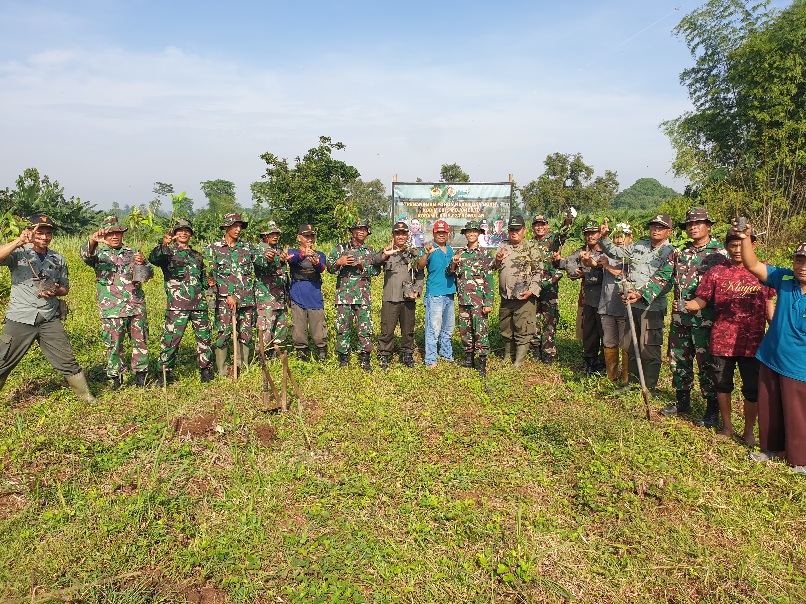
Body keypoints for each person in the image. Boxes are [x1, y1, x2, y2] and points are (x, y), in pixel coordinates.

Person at [630, 208, 728, 424]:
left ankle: (711, 410)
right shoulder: (680, 252)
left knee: (707, 364)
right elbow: (662, 276)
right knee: (678, 360)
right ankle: (682, 402)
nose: (693, 227)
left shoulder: (720, 254)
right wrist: (640, 293)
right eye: (690, 224)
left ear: (708, 226)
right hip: (680, 319)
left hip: (707, 320)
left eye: (698, 223)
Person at [684, 228, 775, 443]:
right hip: (722, 340)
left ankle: (749, 431)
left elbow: (770, 309)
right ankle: (727, 427)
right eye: (732, 245)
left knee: (752, 390)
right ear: (726, 247)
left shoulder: (765, 272)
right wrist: (685, 304)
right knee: (722, 385)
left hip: (753, 342)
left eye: (742, 244)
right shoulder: (715, 273)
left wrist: (784, 331)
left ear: (753, 245)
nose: (737, 249)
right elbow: (701, 301)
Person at [0, 215, 94, 402]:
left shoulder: (57, 259)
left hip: (49, 317)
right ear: (30, 232)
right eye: (39, 232)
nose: (44, 237)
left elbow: (65, 288)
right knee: (3, 360)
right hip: (20, 318)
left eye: (48, 233)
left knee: (67, 360)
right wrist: (19, 240)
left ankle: (86, 397)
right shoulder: (19, 253)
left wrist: (55, 290)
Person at [738, 227, 806, 474]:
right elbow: (752, 264)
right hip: (771, 356)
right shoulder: (785, 279)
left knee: (797, 412)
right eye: (798, 260)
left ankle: (799, 459)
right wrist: (745, 238)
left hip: (799, 365)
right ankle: (770, 448)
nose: (802, 266)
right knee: (770, 405)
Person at [598, 214, 675, 393]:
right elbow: (615, 253)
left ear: (669, 231)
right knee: (631, 346)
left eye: (661, 227)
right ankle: (631, 384)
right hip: (632, 305)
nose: (656, 229)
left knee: (649, 348)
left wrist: (641, 294)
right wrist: (604, 238)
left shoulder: (670, 252)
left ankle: (649, 387)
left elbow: (666, 281)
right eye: (653, 226)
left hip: (652, 307)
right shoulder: (640, 245)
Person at [81, 216, 153, 389]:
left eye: (118, 233)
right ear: (104, 236)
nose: (114, 236)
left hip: (135, 306)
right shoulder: (99, 254)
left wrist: (142, 263)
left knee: (140, 342)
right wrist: (92, 240)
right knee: (114, 345)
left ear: (122, 234)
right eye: (110, 233)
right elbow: (85, 255)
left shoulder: (133, 252)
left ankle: (141, 377)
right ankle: (116, 378)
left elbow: (149, 274)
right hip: (112, 309)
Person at [148, 218, 214, 386]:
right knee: (170, 340)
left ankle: (205, 370)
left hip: (199, 305)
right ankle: (163, 373)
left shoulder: (197, 256)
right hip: (177, 306)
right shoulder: (167, 253)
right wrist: (163, 244)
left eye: (187, 231)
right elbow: (153, 258)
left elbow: (204, 281)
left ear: (190, 234)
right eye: (180, 231)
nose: (183, 233)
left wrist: (210, 280)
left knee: (204, 339)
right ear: (174, 234)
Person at [203, 213, 259, 377]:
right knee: (224, 332)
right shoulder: (213, 249)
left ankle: (242, 367)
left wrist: (273, 258)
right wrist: (227, 294)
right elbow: (210, 277)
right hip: (225, 301)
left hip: (246, 299)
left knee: (246, 333)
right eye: (234, 226)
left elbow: (262, 262)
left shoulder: (247, 248)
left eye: (240, 226)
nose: (238, 229)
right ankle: (222, 370)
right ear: (226, 227)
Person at [327, 219, 380, 371]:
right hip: (344, 296)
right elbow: (329, 268)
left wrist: (362, 265)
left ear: (367, 232)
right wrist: (339, 262)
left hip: (363, 296)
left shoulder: (370, 251)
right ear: (352, 231)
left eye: (364, 229)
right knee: (343, 328)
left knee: (365, 328)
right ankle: (344, 359)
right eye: (358, 229)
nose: (361, 232)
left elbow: (376, 271)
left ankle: (365, 359)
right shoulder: (340, 248)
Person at [369, 221, 423, 369]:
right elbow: (374, 261)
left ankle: (407, 355)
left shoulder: (412, 253)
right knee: (387, 329)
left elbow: (419, 273)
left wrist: (417, 289)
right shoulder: (386, 251)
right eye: (397, 233)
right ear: (392, 235)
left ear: (407, 235)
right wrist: (385, 254)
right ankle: (384, 355)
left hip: (408, 297)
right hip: (390, 298)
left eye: (403, 233)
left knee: (408, 329)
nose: (400, 236)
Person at [494, 215, 543, 367]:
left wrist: (532, 290)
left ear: (524, 230)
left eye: (517, 229)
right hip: (506, 296)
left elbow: (538, 271)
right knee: (506, 327)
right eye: (511, 229)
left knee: (523, 328)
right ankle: (508, 356)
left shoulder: (531, 247)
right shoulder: (503, 246)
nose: (514, 232)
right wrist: (497, 259)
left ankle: (519, 361)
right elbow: (494, 267)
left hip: (524, 297)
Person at [558, 220, 605, 375]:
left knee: (605, 332)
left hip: (606, 300)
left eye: (593, 233)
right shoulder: (582, 251)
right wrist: (572, 270)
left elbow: (607, 274)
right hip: (589, 299)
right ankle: (590, 361)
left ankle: (605, 363)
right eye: (587, 233)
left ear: (599, 234)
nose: (590, 236)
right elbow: (568, 263)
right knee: (589, 331)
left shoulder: (606, 252)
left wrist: (587, 275)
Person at [448, 220, 494, 376]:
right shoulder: (460, 253)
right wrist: (453, 263)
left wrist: (488, 302)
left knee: (480, 331)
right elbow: (450, 272)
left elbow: (489, 279)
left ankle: (482, 362)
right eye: (468, 232)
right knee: (465, 330)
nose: (471, 234)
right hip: (463, 300)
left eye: (474, 231)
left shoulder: (485, 254)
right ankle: (469, 359)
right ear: (465, 234)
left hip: (479, 301)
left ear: (479, 233)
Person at [417, 219, 457, 367]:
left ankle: (446, 355)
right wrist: (426, 254)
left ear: (447, 234)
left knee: (448, 328)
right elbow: (419, 267)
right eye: (438, 232)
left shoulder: (450, 249)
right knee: (433, 329)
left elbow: (452, 270)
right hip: (435, 294)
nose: (441, 235)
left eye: (444, 232)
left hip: (449, 293)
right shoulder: (429, 248)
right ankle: (431, 360)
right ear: (433, 233)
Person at [286, 224, 328, 361]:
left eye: (311, 236)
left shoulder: (320, 254)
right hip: (297, 293)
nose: (309, 238)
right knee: (299, 327)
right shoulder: (293, 251)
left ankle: (321, 353)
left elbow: (322, 268)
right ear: (299, 238)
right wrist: (304, 253)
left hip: (314, 293)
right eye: (306, 236)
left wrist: (316, 263)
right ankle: (301, 354)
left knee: (318, 328)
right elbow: (292, 259)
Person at [529, 215, 567, 364]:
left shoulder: (553, 240)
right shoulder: (530, 243)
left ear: (547, 226)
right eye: (537, 225)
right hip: (533, 286)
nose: (540, 227)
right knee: (534, 319)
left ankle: (549, 353)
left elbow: (564, 232)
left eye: (542, 224)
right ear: (533, 227)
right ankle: (536, 349)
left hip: (549, 286)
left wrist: (568, 219)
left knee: (550, 320)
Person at [254, 221, 290, 361]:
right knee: (266, 326)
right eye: (271, 234)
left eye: (276, 233)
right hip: (266, 296)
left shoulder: (279, 249)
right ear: (264, 236)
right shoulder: (259, 250)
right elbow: (262, 264)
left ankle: (275, 352)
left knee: (280, 325)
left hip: (280, 294)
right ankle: (261, 356)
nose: (275, 236)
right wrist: (273, 260)